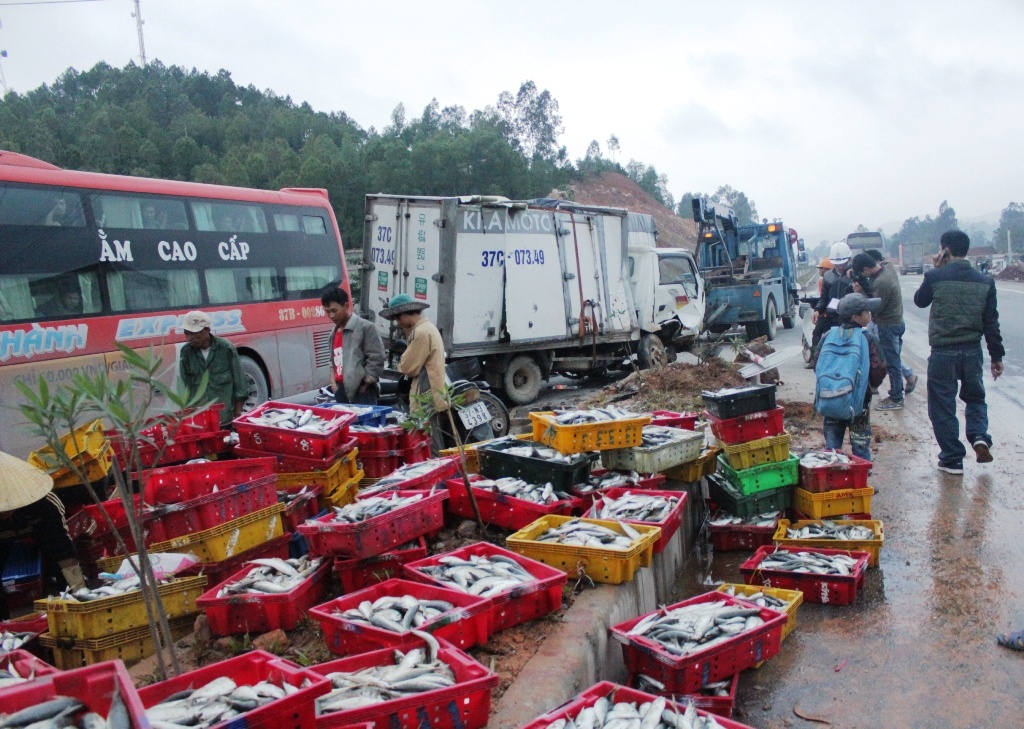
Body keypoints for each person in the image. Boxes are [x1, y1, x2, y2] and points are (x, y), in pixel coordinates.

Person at [913, 230, 1004, 475]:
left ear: (944, 250)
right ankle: (979, 436)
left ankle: (952, 458)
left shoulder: (935, 276)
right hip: (972, 351)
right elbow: (991, 322)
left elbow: (920, 301)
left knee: (942, 405)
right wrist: (997, 357)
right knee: (975, 398)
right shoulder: (985, 282)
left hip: (943, 353)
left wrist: (935, 269)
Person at [0, 451, 89, 619]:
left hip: (39, 527)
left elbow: (64, 552)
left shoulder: (45, 504)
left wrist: (79, 590)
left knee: (58, 561)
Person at [816, 293, 887, 460]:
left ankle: (833, 477)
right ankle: (861, 479)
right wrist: (869, 386)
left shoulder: (827, 336)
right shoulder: (867, 339)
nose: (870, 314)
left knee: (832, 448)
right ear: (856, 317)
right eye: (866, 311)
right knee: (860, 446)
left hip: (830, 400)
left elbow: (817, 363)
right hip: (859, 403)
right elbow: (880, 368)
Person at [379, 293, 448, 454]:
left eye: (398, 318)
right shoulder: (427, 328)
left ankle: (437, 474)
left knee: (429, 441)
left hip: (425, 392)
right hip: (433, 390)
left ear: (405, 314)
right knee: (432, 437)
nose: (398, 323)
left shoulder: (421, 333)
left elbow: (408, 367)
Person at [850, 252, 918, 410]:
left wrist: (860, 292)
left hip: (888, 325)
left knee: (891, 363)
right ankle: (905, 383)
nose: (863, 276)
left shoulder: (881, 283)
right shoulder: (888, 267)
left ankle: (896, 398)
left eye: (862, 273)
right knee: (894, 358)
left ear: (867, 268)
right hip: (898, 322)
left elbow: (876, 308)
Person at [178, 310, 248, 427]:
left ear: (207, 331)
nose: (189, 338)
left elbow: (240, 382)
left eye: (194, 333)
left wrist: (238, 412)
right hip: (201, 420)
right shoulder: (186, 352)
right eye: (187, 333)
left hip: (224, 417)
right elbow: (185, 387)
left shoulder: (225, 348)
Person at [321, 286, 385, 406]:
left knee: (364, 424)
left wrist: (365, 383)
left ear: (346, 306)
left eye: (334, 310)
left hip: (363, 393)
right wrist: (334, 384)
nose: (331, 316)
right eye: (327, 312)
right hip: (341, 390)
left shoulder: (366, 327)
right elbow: (332, 361)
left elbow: (377, 357)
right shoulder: (333, 333)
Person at [808, 241, 854, 368]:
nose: (839, 266)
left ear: (849, 260)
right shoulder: (828, 276)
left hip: (848, 315)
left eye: (842, 264)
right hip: (830, 314)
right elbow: (824, 297)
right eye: (836, 264)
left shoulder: (854, 275)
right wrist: (817, 310)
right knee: (817, 333)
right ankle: (816, 361)